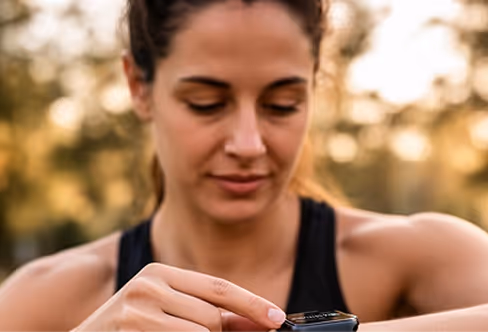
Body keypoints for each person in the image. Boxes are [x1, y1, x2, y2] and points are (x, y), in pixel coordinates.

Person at [1, 0, 488, 331]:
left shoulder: (415, 257)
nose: (249, 144)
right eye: (206, 103)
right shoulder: (47, 298)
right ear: (138, 86)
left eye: (282, 105)